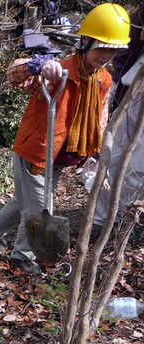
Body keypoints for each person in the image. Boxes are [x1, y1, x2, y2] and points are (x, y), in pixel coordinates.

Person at [0, 3, 130, 274]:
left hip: (62, 155)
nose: (106, 56)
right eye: (101, 48)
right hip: (36, 151)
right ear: (86, 43)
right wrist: (38, 65)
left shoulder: (103, 80)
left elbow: (100, 118)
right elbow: (13, 74)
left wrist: (95, 150)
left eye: (113, 50)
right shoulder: (59, 71)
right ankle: (22, 256)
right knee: (39, 209)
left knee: (24, 201)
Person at [91, 2, 144, 243]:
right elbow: (128, 45)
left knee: (137, 165)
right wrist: (122, 75)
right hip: (131, 90)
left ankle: (126, 222)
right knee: (111, 156)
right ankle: (100, 220)